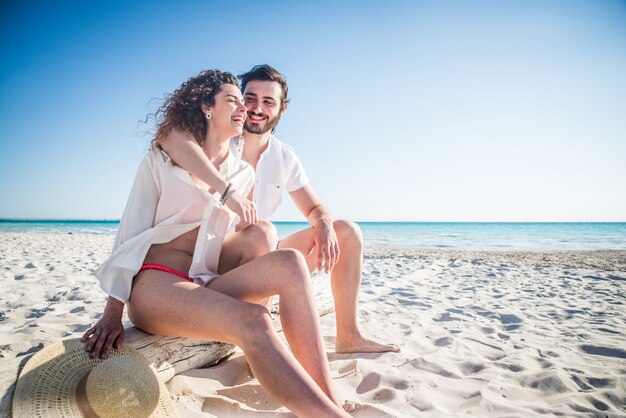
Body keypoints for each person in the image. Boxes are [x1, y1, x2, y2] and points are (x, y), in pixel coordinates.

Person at [81, 70, 351, 417]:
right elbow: (129, 233)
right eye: (233, 101)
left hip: (204, 281)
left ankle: (329, 398)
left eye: (245, 102)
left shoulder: (242, 173)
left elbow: (244, 240)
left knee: (289, 260)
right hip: (156, 283)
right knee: (255, 320)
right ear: (207, 108)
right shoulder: (163, 157)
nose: (244, 109)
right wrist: (112, 313)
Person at [160, 64, 399, 354]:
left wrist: (322, 221)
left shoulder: (284, 155)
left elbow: (314, 206)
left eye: (268, 101)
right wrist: (226, 190)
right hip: (213, 263)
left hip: (261, 256)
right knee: (262, 233)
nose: (257, 108)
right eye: (249, 98)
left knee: (346, 231)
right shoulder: (218, 138)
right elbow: (169, 135)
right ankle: (264, 341)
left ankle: (348, 337)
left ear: (282, 109)